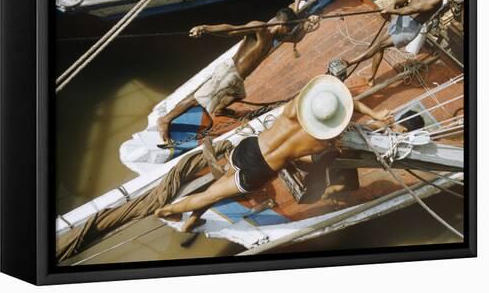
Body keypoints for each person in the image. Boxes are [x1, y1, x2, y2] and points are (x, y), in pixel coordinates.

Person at [155, 75, 393, 232]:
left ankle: (191, 221)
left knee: (218, 187)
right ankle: (166, 211)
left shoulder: (294, 107)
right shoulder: (323, 140)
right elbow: (310, 160)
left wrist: (372, 114)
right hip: (260, 170)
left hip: (248, 147)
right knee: (210, 196)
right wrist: (375, 119)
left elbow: (346, 100)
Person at [157, 8, 320, 143]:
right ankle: (165, 119)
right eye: (288, 29)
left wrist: (308, 26)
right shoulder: (260, 28)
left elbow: (294, 37)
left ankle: (219, 109)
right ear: (283, 25)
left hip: (237, 78)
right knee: (196, 98)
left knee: (238, 94)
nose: (289, 32)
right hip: (229, 72)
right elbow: (231, 30)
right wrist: (205, 28)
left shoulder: (274, 35)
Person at [343, 0, 447, 87]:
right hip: (401, 16)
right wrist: (394, 3)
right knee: (380, 46)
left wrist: (392, 10)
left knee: (379, 44)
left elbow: (412, 9)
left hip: (410, 27)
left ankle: (350, 63)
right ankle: (371, 78)